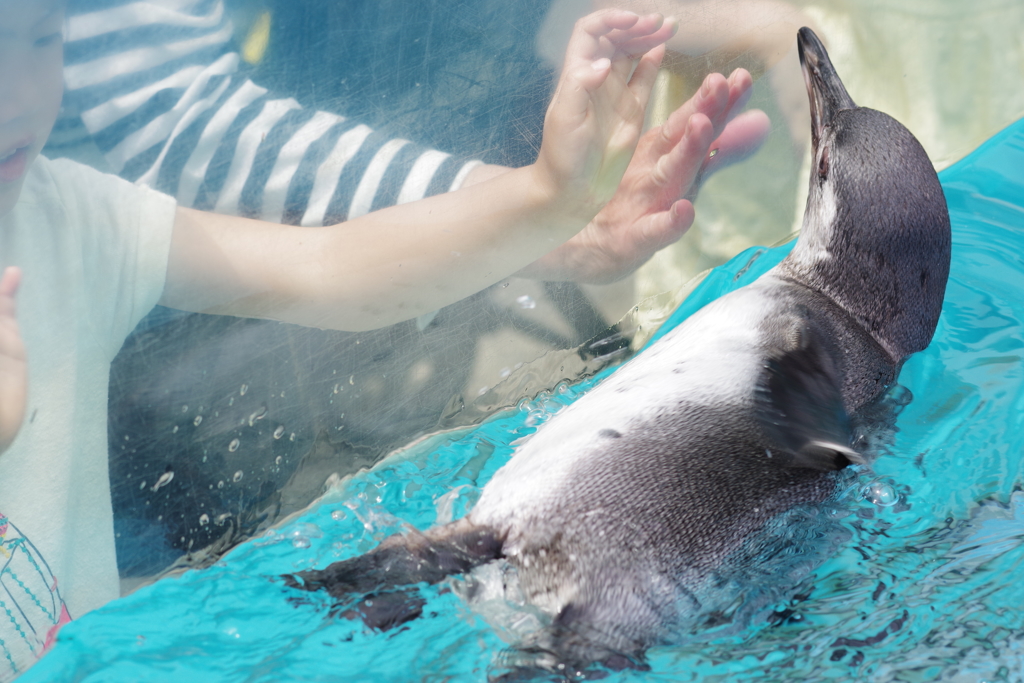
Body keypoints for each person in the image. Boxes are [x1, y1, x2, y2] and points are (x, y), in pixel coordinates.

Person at [0, 0, 762, 675]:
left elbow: (332, 268)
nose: (20, 96)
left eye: (41, 40)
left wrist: (548, 197)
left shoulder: (72, 221)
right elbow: (191, 122)